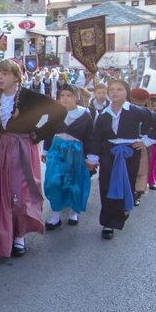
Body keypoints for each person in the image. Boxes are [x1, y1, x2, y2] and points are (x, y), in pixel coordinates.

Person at [0, 59, 65, 258]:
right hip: (0, 150)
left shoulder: (30, 97)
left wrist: (39, 133)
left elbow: (59, 111)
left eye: (4, 73)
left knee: (21, 196)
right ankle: (5, 236)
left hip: (22, 149)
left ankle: (20, 234)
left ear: (16, 76)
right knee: (3, 197)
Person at [86, 79, 156, 239]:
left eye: (119, 89)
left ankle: (122, 210)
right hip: (109, 153)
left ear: (126, 92)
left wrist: (146, 141)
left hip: (129, 153)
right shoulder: (103, 116)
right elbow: (96, 137)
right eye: (112, 89)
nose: (115, 92)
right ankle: (108, 223)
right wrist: (92, 159)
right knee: (106, 185)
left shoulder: (135, 111)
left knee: (125, 183)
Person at [41, 85, 93, 228]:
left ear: (76, 97)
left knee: (74, 182)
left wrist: (90, 157)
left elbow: (89, 137)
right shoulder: (55, 114)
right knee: (53, 181)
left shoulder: (85, 115)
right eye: (62, 95)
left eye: (69, 95)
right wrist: (45, 151)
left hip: (76, 151)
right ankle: (56, 215)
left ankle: (73, 212)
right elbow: (48, 133)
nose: (65, 98)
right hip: (57, 150)